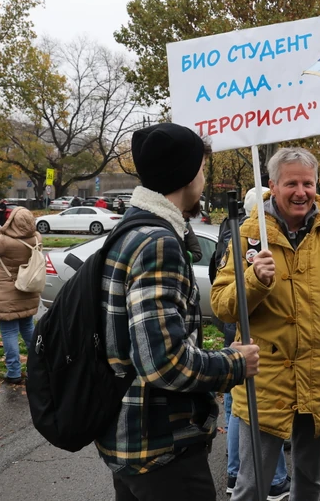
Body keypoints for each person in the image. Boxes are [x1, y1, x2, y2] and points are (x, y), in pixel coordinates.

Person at [95, 122, 260, 501]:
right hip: (160, 449)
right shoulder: (157, 243)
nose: (203, 178)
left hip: (131, 440)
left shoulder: (131, 229)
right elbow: (163, 362)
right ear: (187, 174)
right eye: (202, 168)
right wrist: (234, 362)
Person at [212, 147, 320, 501]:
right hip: (267, 383)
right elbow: (222, 306)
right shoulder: (247, 236)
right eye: (291, 183)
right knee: (252, 487)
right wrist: (254, 280)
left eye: (308, 183)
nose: (301, 191)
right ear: (272, 185)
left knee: (308, 483)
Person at [209, 186, 291, 499]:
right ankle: (269, 479)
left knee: (236, 406)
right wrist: (255, 277)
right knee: (248, 409)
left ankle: (237, 473)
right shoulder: (242, 237)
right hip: (246, 332)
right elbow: (223, 296)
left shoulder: (229, 233)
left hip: (245, 334)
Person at [0, 207, 42, 384]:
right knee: (27, 328)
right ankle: (40, 365)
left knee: (9, 331)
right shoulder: (36, 237)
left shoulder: (4, 243)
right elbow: (16, 236)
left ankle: (14, 372)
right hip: (26, 290)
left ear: (13, 222)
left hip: (6, 293)